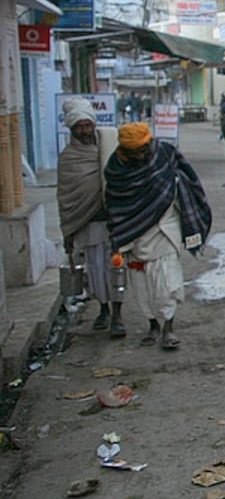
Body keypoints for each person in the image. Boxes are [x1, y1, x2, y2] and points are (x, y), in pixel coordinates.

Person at [104, 122, 211, 350]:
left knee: (167, 282)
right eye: (133, 153)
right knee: (142, 287)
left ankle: (168, 328)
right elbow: (114, 201)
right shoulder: (116, 168)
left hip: (164, 227)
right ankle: (152, 325)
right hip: (134, 234)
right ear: (124, 151)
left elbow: (188, 178)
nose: (140, 156)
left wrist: (182, 194)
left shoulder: (164, 153)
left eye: (142, 150)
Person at [57, 98, 124, 338]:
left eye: (88, 125)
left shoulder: (109, 146)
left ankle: (117, 315)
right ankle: (103, 310)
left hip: (113, 222)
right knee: (95, 272)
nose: (85, 131)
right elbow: (66, 197)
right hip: (88, 224)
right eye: (79, 127)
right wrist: (68, 232)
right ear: (72, 128)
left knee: (116, 269)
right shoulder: (68, 159)